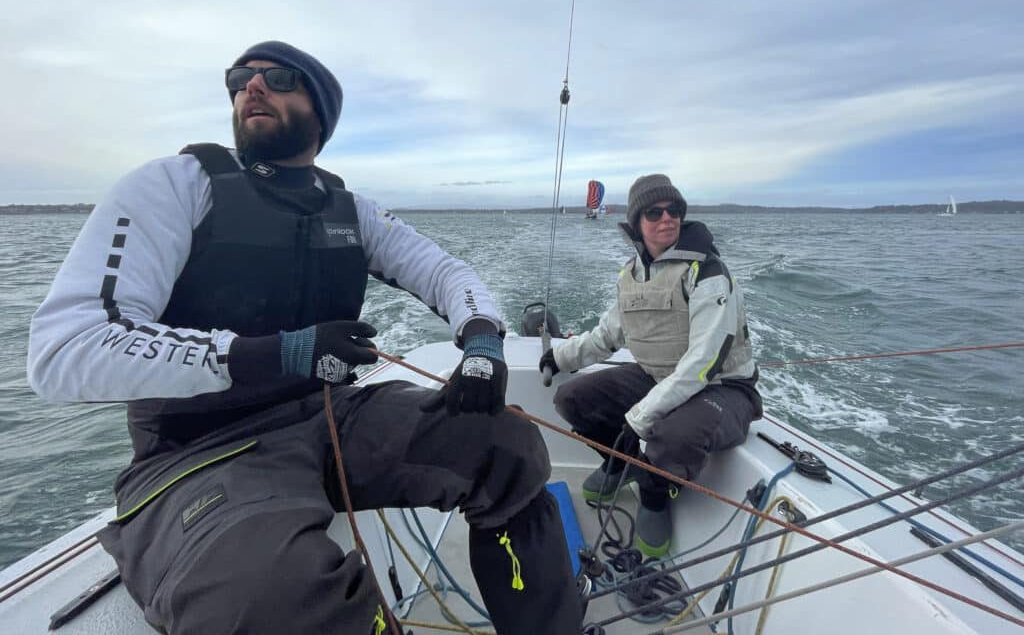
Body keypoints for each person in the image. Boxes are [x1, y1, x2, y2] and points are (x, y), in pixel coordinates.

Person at [28, 41, 582, 634]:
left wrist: (481, 341)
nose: (252, 87)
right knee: (275, 597)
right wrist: (270, 353)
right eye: (240, 78)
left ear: (321, 112)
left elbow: (446, 272)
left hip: (330, 416)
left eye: (278, 77)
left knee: (506, 441)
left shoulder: (349, 209)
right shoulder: (176, 186)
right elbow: (65, 349)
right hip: (199, 450)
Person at [539, 174, 762, 558]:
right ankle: (618, 464)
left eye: (674, 210)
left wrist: (639, 417)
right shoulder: (631, 276)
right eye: (655, 212)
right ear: (636, 223)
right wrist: (558, 357)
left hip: (722, 389)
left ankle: (655, 495)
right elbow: (606, 336)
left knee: (671, 438)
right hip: (658, 376)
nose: (667, 218)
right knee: (572, 398)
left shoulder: (707, 272)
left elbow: (702, 364)